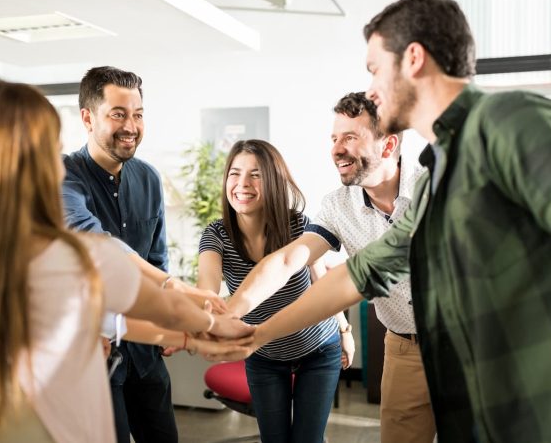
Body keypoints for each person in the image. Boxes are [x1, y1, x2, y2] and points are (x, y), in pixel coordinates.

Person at [217, 0, 551, 442]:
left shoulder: (511, 121)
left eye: (375, 69)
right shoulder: (441, 172)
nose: (372, 89)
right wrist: (253, 335)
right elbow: (361, 275)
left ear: (413, 58)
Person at [0, 79, 253, 443]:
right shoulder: (73, 257)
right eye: (50, 151)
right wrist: (209, 325)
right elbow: (165, 306)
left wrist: (187, 338)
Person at [227, 92, 433, 443]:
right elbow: (290, 259)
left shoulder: (434, 189)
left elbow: (350, 281)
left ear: (388, 145)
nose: (337, 149)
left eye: (350, 137)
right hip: (403, 348)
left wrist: (259, 334)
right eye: (334, 138)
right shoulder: (338, 206)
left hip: (467, 345)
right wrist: (232, 312)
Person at [198, 139, 354, 443]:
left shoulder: (298, 227)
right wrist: (202, 317)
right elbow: (207, 285)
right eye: (235, 173)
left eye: (255, 174)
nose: (243, 184)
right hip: (264, 354)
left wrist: (345, 330)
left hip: (318, 350)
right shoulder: (217, 235)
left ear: (272, 180)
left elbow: (323, 283)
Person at [61, 66, 179, 443]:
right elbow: (96, 243)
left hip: (145, 349)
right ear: (87, 117)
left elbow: (156, 257)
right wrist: (176, 289)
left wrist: (167, 316)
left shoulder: (148, 178)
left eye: (138, 114)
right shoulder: (62, 176)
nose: (131, 126)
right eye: (118, 114)